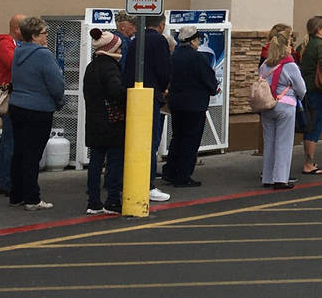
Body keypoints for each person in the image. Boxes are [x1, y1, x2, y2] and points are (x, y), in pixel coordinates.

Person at [8, 17, 64, 210]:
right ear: (34, 36)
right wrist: (59, 101)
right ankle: (33, 198)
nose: (46, 36)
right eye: (43, 33)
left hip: (17, 106)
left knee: (20, 152)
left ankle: (16, 194)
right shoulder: (43, 55)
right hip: (38, 109)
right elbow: (56, 83)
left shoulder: (18, 51)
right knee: (33, 154)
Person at [121, 14, 172, 203]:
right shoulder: (159, 41)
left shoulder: (136, 40)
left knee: (136, 142)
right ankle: (148, 184)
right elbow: (164, 70)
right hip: (150, 95)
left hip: (133, 94)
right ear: (161, 25)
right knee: (150, 142)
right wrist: (163, 88)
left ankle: (133, 180)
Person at [164, 26, 219, 188]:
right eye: (198, 40)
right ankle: (183, 175)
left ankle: (171, 171)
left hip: (176, 103)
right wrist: (213, 89)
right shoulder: (198, 58)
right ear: (194, 40)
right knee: (190, 141)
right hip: (194, 105)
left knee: (177, 137)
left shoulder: (174, 56)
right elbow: (209, 80)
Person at [82, 29, 125, 214]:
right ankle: (113, 200)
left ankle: (93, 201)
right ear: (111, 48)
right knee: (115, 161)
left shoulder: (91, 67)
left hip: (94, 120)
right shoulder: (110, 67)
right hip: (112, 121)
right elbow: (115, 91)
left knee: (96, 162)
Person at [258, 25, 306, 188]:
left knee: (269, 142)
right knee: (284, 143)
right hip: (285, 106)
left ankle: (268, 177)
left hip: (267, 105)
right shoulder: (290, 65)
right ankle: (280, 178)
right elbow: (302, 89)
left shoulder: (265, 65)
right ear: (286, 47)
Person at [298, 16, 322, 175]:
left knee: (309, 125)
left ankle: (309, 160)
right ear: (319, 29)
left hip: (306, 88)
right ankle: (309, 163)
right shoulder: (321, 45)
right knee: (315, 125)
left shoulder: (304, 45)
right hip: (318, 89)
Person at [0, 14, 24, 197]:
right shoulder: (5, 44)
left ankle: (12, 179)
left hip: (18, 98)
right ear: (17, 29)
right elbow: (15, 64)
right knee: (10, 141)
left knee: (14, 140)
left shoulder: (16, 45)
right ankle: (5, 182)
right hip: (9, 99)